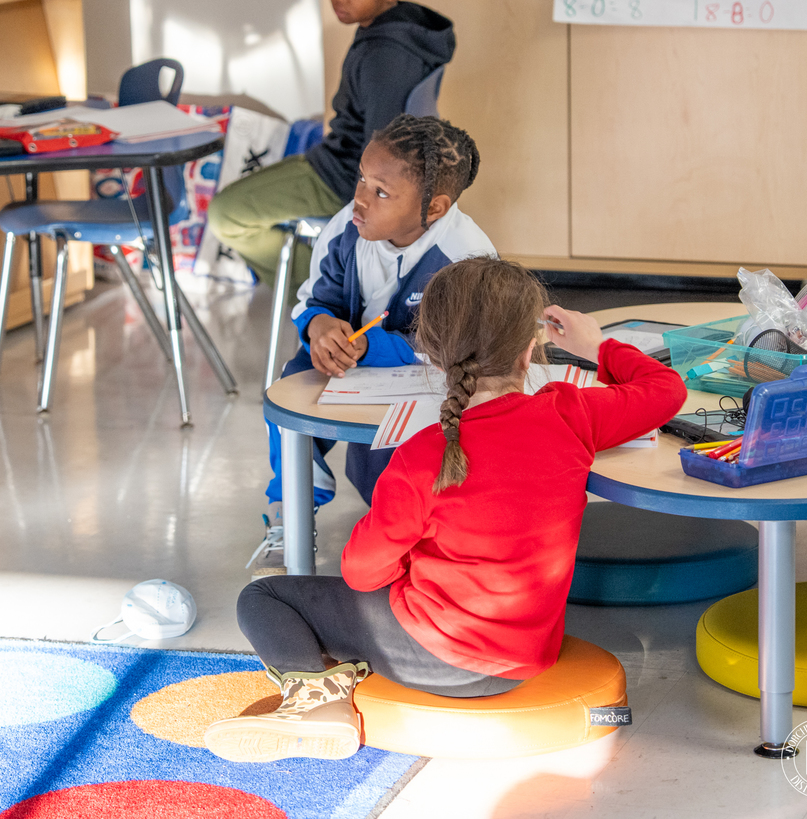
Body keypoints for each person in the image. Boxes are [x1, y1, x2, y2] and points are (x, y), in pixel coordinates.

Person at [206, 257, 689, 763]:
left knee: (264, 598)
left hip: (427, 658)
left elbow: (361, 571)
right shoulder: (570, 414)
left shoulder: (422, 455)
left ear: (432, 355)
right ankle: (339, 679)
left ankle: (319, 703)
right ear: (530, 351)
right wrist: (596, 345)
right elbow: (666, 392)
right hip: (527, 656)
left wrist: (407, 565)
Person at [250, 114, 494, 575]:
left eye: (381, 192)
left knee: (391, 490)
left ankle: (413, 536)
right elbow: (313, 298)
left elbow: (456, 350)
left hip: (430, 381)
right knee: (288, 393)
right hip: (351, 362)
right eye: (362, 179)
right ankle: (290, 511)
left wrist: (370, 350)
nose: (360, 199)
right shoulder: (347, 227)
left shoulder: (465, 258)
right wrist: (320, 325)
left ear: (435, 208)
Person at [205, 0, 456, 293]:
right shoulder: (403, 28)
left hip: (342, 177)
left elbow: (387, 161)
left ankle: (327, 291)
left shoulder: (385, 55)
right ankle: (331, 280)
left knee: (225, 214)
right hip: (339, 157)